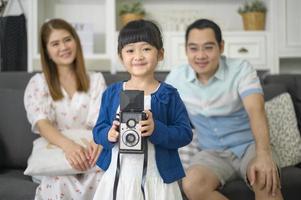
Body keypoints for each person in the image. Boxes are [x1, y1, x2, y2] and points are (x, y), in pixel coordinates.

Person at [165, 19, 283, 200]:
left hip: (249, 147)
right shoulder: (176, 78)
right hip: (211, 154)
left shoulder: (241, 69)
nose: (200, 55)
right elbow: (160, 114)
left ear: (221, 47)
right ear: (186, 50)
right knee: (191, 183)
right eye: (193, 48)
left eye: (208, 47)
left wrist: (263, 155)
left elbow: (256, 110)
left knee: (264, 177)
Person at [92, 19, 193, 200]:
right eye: (130, 50)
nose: (138, 56)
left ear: (160, 54)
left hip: (157, 179)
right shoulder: (111, 93)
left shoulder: (169, 95)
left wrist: (157, 129)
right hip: (118, 177)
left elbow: (185, 133)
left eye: (146, 49)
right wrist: (109, 134)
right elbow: (98, 130)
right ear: (121, 56)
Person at [24, 18, 106, 199]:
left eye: (67, 39)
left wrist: (92, 147)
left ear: (76, 41)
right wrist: (69, 147)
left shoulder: (96, 80)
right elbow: (42, 123)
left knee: (103, 178)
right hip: (55, 153)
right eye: (55, 43)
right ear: (47, 51)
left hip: (90, 152)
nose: (63, 47)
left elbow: (100, 122)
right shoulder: (38, 83)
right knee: (58, 180)